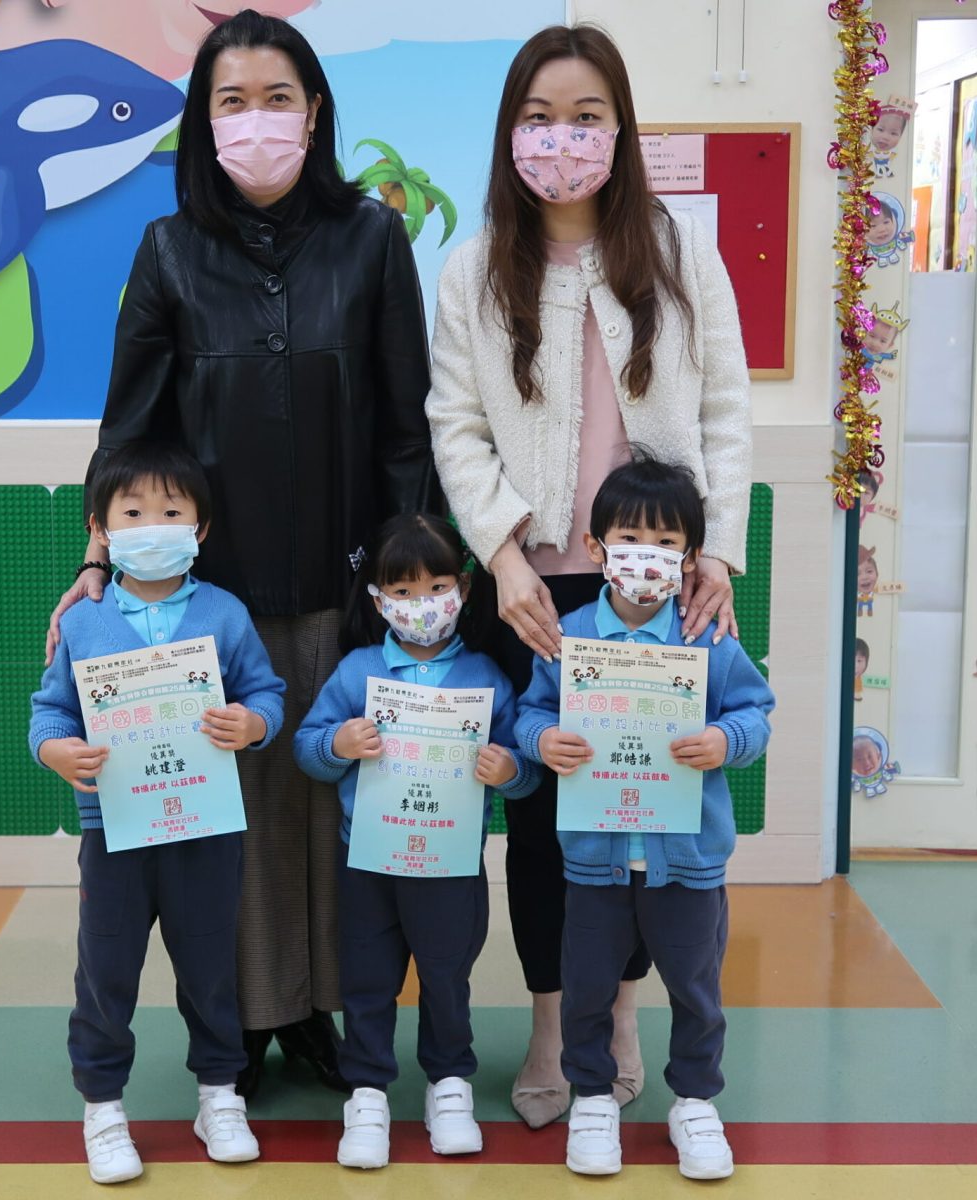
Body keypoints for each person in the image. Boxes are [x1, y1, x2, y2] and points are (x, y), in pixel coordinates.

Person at [44, 10, 436, 1097]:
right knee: (233, 822)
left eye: (276, 98)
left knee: (333, 804)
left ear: (314, 112)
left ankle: (327, 1012)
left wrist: (404, 579)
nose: (256, 121)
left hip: (347, 584)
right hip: (203, 595)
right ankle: (245, 1024)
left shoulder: (372, 238)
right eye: (232, 101)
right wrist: (96, 563)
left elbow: (407, 428)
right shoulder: (169, 249)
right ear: (202, 120)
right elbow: (128, 433)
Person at [424, 22, 752, 1129]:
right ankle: (551, 1021)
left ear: (621, 129)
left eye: (585, 117)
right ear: (509, 131)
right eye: (539, 118)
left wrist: (717, 552)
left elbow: (726, 409)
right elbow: (456, 424)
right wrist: (502, 556)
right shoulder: (474, 267)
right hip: (538, 591)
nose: (561, 139)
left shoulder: (677, 249)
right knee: (543, 820)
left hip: (658, 581)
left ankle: (620, 1017)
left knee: (647, 806)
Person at [29, 443, 288, 1184]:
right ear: (100, 530)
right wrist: (56, 751)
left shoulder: (223, 613)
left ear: (200, 530)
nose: (152, 526)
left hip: (204, 826)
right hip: (113, 832)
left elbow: (265, 692)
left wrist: (253, 724)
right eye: (133, 512)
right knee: (106, 971)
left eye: (171, 512)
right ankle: (103, 1108)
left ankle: (219, 1096)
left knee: (210, 968)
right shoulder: (83, 620)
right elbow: (49, 712)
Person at [515, 451, 774, 1178]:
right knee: (587, 988)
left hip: (686, 862)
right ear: (595, 548)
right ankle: (592, 1098)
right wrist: (543, 740)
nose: (646, 556)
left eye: (665, 543)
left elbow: (756, 712)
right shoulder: (568, 638)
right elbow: (530, 714)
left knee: (696, 989)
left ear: (690, 558)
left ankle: (695, 1102)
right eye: (630, 539)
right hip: (594, 863)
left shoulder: (705, 638)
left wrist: (726, 740)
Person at [293, 514, 540, 1169]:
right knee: (366, 980)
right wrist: (338, 744)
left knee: (447, 977)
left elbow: (526, 767)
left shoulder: (485, 675)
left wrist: (510, 770)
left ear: (463, 589)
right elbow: (308, 748)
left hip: (450, 863)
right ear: (378, 601)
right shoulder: (358, 672)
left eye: (436, 587)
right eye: (402, 592)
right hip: (369, 862)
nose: (421, 605)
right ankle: (367, 1092)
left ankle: (449, 1084)